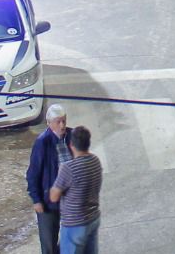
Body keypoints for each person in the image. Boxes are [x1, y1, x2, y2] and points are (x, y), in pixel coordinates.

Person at [48, 125, 102, 254]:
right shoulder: (95, 160)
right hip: (93, 218)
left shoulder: (68, 168)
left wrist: (58, 177)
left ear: (71, 145)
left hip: (75, 224)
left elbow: (53, 197)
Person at [27, 104, 73, 254]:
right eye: (58, 122)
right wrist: (36, 200)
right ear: (49, 123)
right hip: (49, 202)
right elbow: (33, 174)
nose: (62, 125)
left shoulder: (72, 136)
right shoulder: (42, 143)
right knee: (49, 245)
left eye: (64, 121)